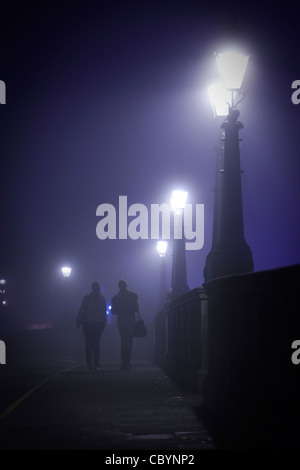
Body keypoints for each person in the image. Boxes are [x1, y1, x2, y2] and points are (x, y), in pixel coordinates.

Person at [76, 282, 107, 371]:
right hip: (95, 324)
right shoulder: (101, 299)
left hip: (90, 324)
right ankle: (94, 364)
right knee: (94, 344)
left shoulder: (88, 298)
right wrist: (104, 322)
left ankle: (91, 363)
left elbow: (82, 309)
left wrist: (78, 320)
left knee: (90, 344)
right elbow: (103, 312)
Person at [111, 280, 139, 370]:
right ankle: (127, 361)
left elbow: (113, 311)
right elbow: (136, 308)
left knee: (123, 340)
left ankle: (124, 362)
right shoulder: (133, 296)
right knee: (129, 340)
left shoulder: (116, 298)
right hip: (131, 319)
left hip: (121, 319)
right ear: (126, 286)